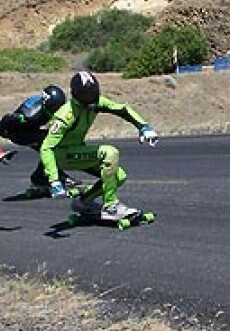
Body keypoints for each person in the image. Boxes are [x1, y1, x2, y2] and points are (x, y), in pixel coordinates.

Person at [39, 70, 158, 220]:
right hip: (61, 156)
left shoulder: (96, 103)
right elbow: (46, 148)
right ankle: (111, 206)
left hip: (77, 151)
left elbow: (122, 109)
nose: (91, 98)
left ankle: (83, 202)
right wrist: (54, 180)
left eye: (93, 93)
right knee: (110, 152)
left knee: (118, 176)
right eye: (87, 95)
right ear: (77, 95)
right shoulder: (66, 115)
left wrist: (144, 127)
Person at [0, 84, 77, 193]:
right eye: (55, 108)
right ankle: (42, 177)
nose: (57, 111)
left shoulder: (46, 105)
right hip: (19, 134)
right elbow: (8, 119)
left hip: (30, 130)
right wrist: (3, 131)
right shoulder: (30, 115)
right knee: (49, 146)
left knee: (53, 143)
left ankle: (46, 176)